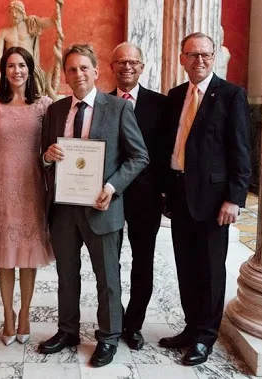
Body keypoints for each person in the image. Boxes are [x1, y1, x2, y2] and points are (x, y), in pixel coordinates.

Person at [39, 44, 148, 367]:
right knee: (66, 275)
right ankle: (67, 330)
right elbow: (44, 157)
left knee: (107, 278)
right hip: (64, 209)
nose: (78, 74)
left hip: (102, 208)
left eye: (84, 68)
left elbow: (139, 156)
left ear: (97, 72)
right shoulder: (56, 111)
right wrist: (47, 157)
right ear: (65, 75)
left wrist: (112, 187)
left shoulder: (117, 108)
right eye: (71, 69)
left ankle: (109, 336)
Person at [159, 32, 251, 365]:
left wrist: (234, 198)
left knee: (211, 269)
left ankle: (205, 336)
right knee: (186, 265)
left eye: (205, 55)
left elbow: (240, 151)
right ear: (182, 58)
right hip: (180, 195)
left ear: (214, 58)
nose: (199, 61)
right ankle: (191, 326)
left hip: (214, 202)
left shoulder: (231, 95)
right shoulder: (175, 95)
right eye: (192, 55)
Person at [0, 46, 54, 346]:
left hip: (33, 183)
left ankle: (25, 314)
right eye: (11, 66)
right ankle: (7, 315)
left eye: (22, 65)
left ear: (30, 69)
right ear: (3, 70)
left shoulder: (44, 105)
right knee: (6, 254)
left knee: (28, 253)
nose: (16, 71)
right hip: (2, 181)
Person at [109, 42, 168, 350]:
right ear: (111, 68)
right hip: (110, 198)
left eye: (133, 62)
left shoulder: (161, 104)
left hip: (146, 200)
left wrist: (165, 194)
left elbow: (167, 152)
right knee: (110, 263)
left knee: (142, 262)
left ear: (142, 67)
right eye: (120, 62)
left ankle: (134, 324)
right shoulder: (101, 103)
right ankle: (114, 320)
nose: (127, 67)